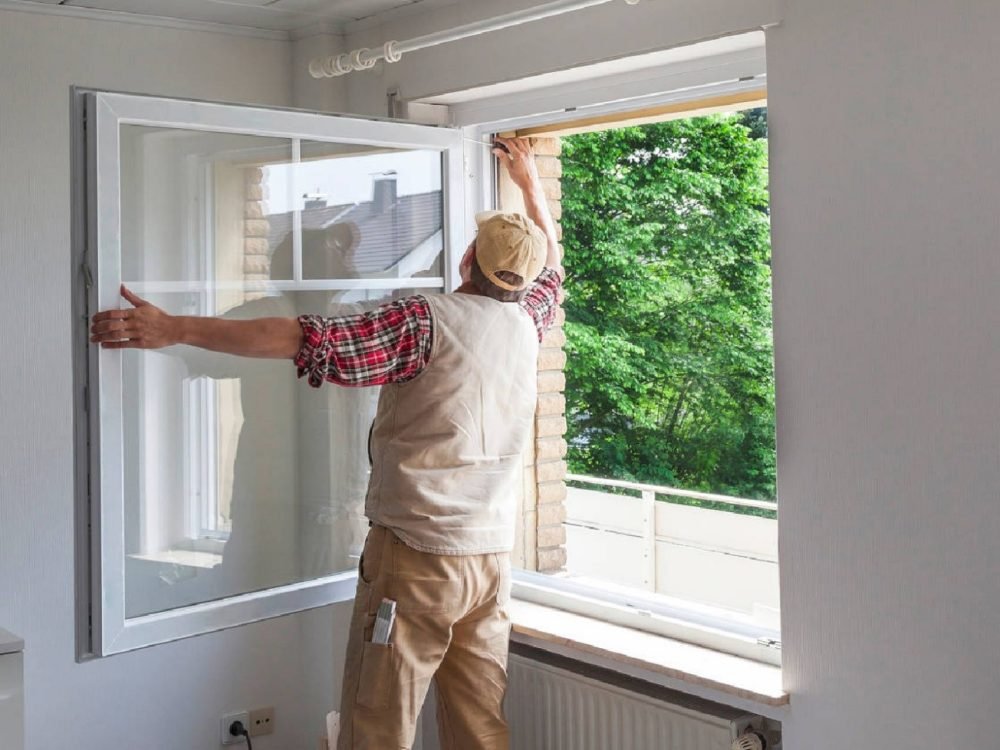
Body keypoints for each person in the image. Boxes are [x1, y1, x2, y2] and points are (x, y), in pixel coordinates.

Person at [90, 136, 563, 749]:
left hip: (418, 557)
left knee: (378, 725)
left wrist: (172, 326)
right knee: (480, 727)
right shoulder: (530, 322)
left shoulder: (425, 322)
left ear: (467, 257)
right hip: (490, 562)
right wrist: (528, 182)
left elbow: (299, 339)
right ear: (522, 279)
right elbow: (551, 262)